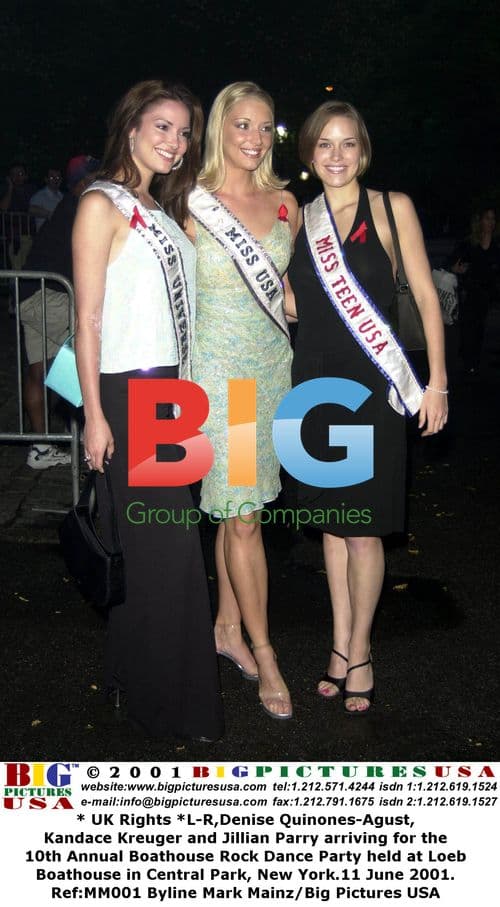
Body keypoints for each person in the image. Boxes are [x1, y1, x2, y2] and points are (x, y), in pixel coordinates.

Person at [72, 79, 224, 741]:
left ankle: (132, 677)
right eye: (161, 126)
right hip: (129, 395)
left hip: (169, 394)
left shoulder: (156, 208)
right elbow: (88, 317)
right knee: (173, 554)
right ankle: (177, 707)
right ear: (131, 127)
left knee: (144, 548)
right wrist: (96, 417)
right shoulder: (102, 204)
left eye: (183, 131)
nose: (174, 141)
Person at [287, 101, 448, 713]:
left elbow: (427, 297)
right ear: (309, 153)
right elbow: (297, 304)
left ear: (363, 150)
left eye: (347, 143)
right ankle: (336, 643)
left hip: (376, 387)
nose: (335, 155)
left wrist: (436, 382)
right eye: (324, 144)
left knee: (362, 531)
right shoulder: (299, 219)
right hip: (317, 385)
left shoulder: (390, 207)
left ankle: (361, 650)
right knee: (331, 524)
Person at [188, 81, 298, 720]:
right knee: (244, 516)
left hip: (271, 372)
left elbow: (291, 282)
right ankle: (266, 653)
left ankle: (226, 627)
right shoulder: (190, 203)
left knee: (240, 509)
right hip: (219, 381)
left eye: (265, 127)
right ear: (220, 131)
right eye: (243, 126)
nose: (255, 141)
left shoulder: (287, 203)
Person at [20, 155, 99, 469]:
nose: (103, 181)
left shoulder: (72, 205)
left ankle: (41, 448)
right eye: (96, 176)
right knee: (81, 361)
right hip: (48, 294)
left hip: (28, 292)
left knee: (38, 372)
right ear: (81, 182)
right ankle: (85, 433)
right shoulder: (83, 206)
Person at [450, 204, 500, 375]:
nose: (491, 223)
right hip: (470, 293)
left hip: (491, 293)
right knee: (470, 327)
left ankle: (475, 361)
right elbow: (452, 263)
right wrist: (457, 269)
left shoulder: (496, 244)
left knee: (480, 328)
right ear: (480, 222)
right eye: (488, 219)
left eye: (493, 219)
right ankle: (469, 362)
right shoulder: (469, 243)